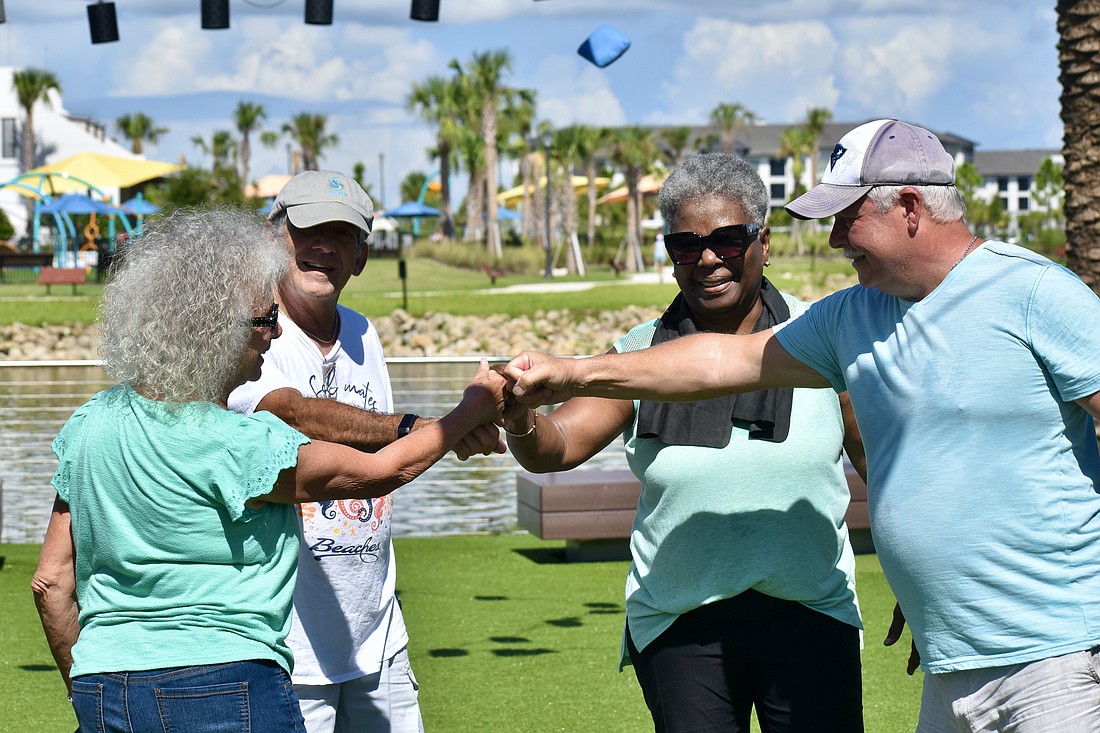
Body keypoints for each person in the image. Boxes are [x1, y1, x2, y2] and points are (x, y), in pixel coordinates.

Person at [504, 119, 1100, 732]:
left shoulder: (1034, 292)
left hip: (1055, 658)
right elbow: (719, 360)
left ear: (912, 207)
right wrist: (571, 373)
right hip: (953, 663)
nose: (837, 237)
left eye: (847, 216)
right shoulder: (851, 316)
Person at [30, 207, 506, 732]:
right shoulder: (241, 444)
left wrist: (91, 686)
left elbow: (51, 582)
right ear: (209, 330)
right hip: (227, 686)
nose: (276, 334)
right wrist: (471, 410)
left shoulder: (89, 424)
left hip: (105, 687)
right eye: (264, 320)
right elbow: (381, 473)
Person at [502, 152, 867, 732]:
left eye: (727, 239)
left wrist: (923, 578)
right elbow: (557, 446)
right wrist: (520, 414)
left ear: (763, 243)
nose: (707, 259)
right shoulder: (639, 354)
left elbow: (883, 467)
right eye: (685, 244)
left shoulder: (818, 338)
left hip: (811, 610)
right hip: (679, 621)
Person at [226, 170, 499, 733]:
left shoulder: (363, 333)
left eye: (343, 235)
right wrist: (432, 426)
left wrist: (445, 430)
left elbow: (384, 446)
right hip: (286, 644)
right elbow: (291, 412)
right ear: (272, 237)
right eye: (307, 229)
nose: (323, 246)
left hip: (378, 635)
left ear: (362, 257)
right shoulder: (249, 333)